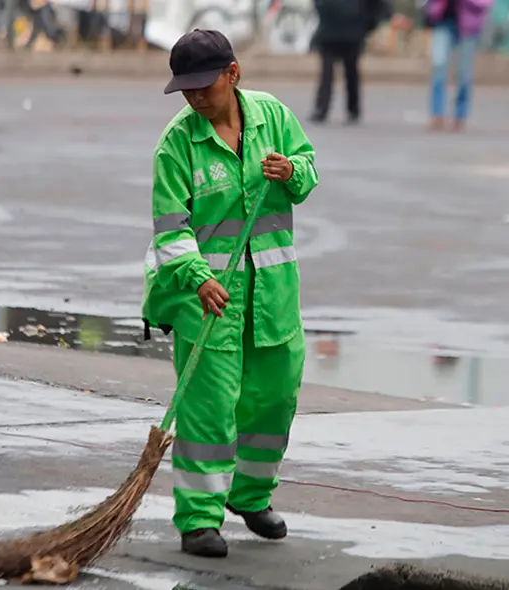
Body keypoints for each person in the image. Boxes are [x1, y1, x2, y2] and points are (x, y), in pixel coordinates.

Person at [140, 29, 319, 558]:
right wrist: (198, 276)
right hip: (206, 297)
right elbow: (169, 229)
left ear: (233, 74)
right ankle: (198, 519)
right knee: (210, 410)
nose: (195, 98)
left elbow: (309, 169)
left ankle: (251, 495)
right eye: (186, 89)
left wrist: (292, 172)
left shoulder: (273, 117)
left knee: (274, 397)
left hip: (272, 292)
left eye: (204, 86)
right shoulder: (177, 143)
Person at [310, 0, 393, 124]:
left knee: (341, 73)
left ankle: (327, 109)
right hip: (337, 31)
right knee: (341, 73)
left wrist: (366, 24)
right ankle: (348, 110)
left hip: (345, 31)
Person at [420, 0, 495, 131]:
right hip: (442, 21)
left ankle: (460, 116)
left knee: (464, 73)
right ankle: (436, 114)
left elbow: (485, 3)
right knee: (439, 65)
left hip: (468, 26)